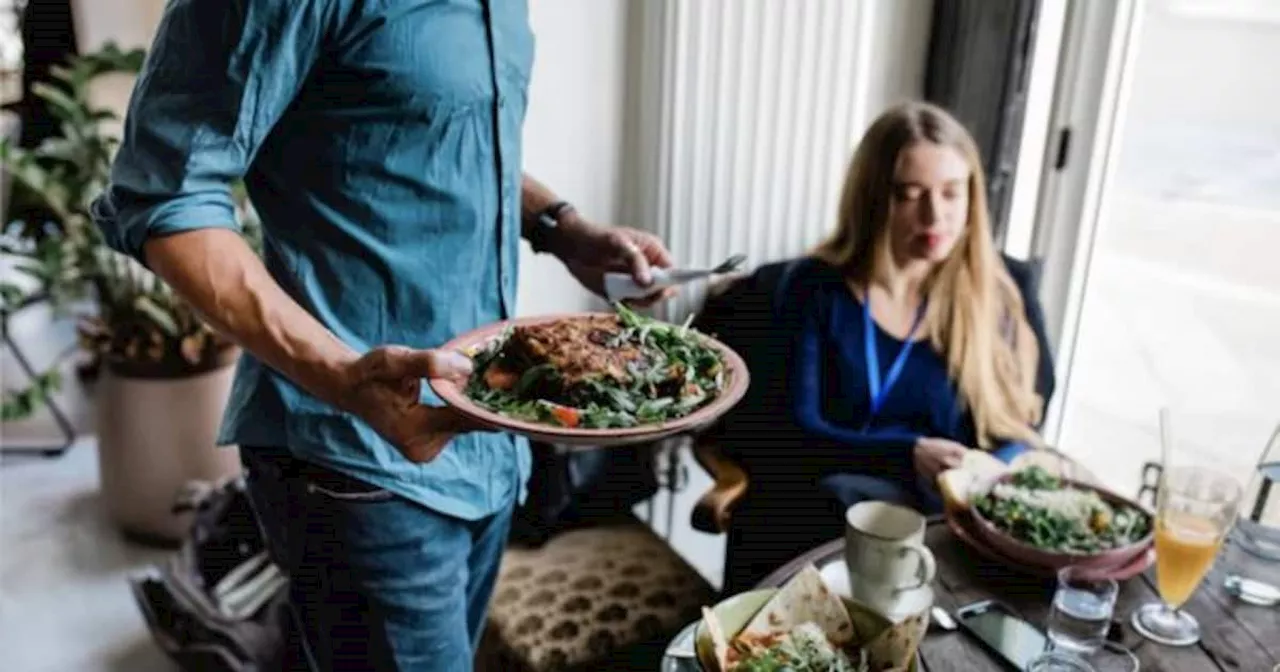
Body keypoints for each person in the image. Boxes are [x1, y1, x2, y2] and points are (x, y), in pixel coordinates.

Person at [89, 1, 675, 670]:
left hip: (486, 445)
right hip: (354, 458)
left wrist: (559, 229)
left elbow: (437, 130)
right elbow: (164, 199)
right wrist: (340, 374)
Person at [720, 101, 1055, 592]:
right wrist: (907, 452)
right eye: (909, 194)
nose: (934, 215)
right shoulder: (810, 289)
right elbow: (796, 433)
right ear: (873, 198)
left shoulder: (1002, 289)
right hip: (819, 514)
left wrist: (993, 468)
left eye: (950, 193)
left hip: (941, 532)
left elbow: (1024, 420)